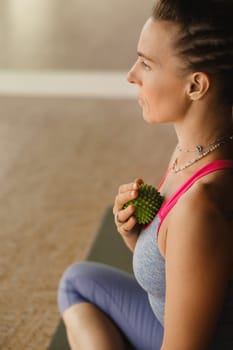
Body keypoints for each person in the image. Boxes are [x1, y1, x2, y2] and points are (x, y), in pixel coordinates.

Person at [57, 0, 233, 349]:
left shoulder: (200, 206)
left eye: (146, 63)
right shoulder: (194, 148)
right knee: (77, 281)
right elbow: (186, 263)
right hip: (167, 320)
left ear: (196, 86)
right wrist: (139, 237)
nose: (131, 74)